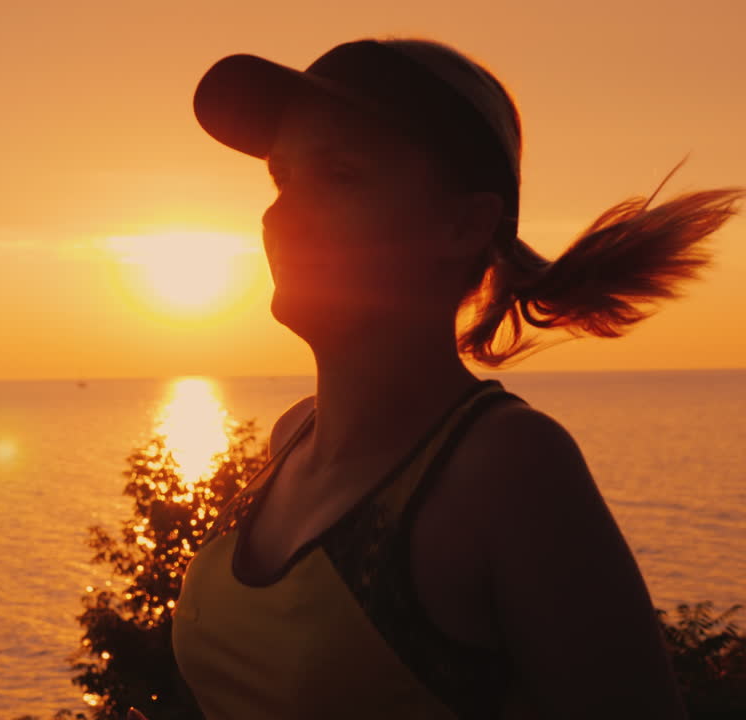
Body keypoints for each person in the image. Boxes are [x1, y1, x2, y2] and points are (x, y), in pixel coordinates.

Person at [136, 37, 744, 719]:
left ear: (461, 224)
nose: (280, 216)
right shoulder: (291, 439)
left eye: (339, 175)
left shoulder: (507, 470)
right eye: (283, 179)